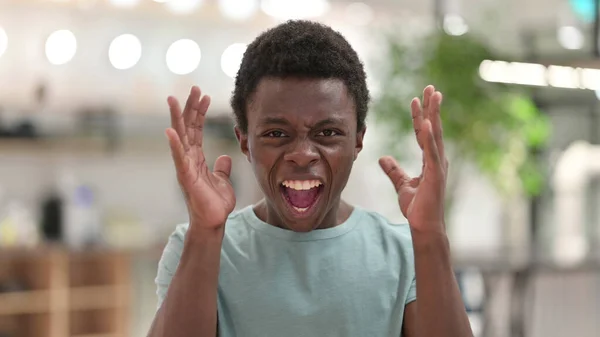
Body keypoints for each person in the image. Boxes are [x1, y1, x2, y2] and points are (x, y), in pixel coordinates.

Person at [149, 20, 473, 337]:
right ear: (245, 141)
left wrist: (430, 235)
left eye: (328, 132)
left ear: (358, 140)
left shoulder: (406, 253)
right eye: (277, 133)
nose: (302, 154)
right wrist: (205, 233)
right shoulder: (194, 246)